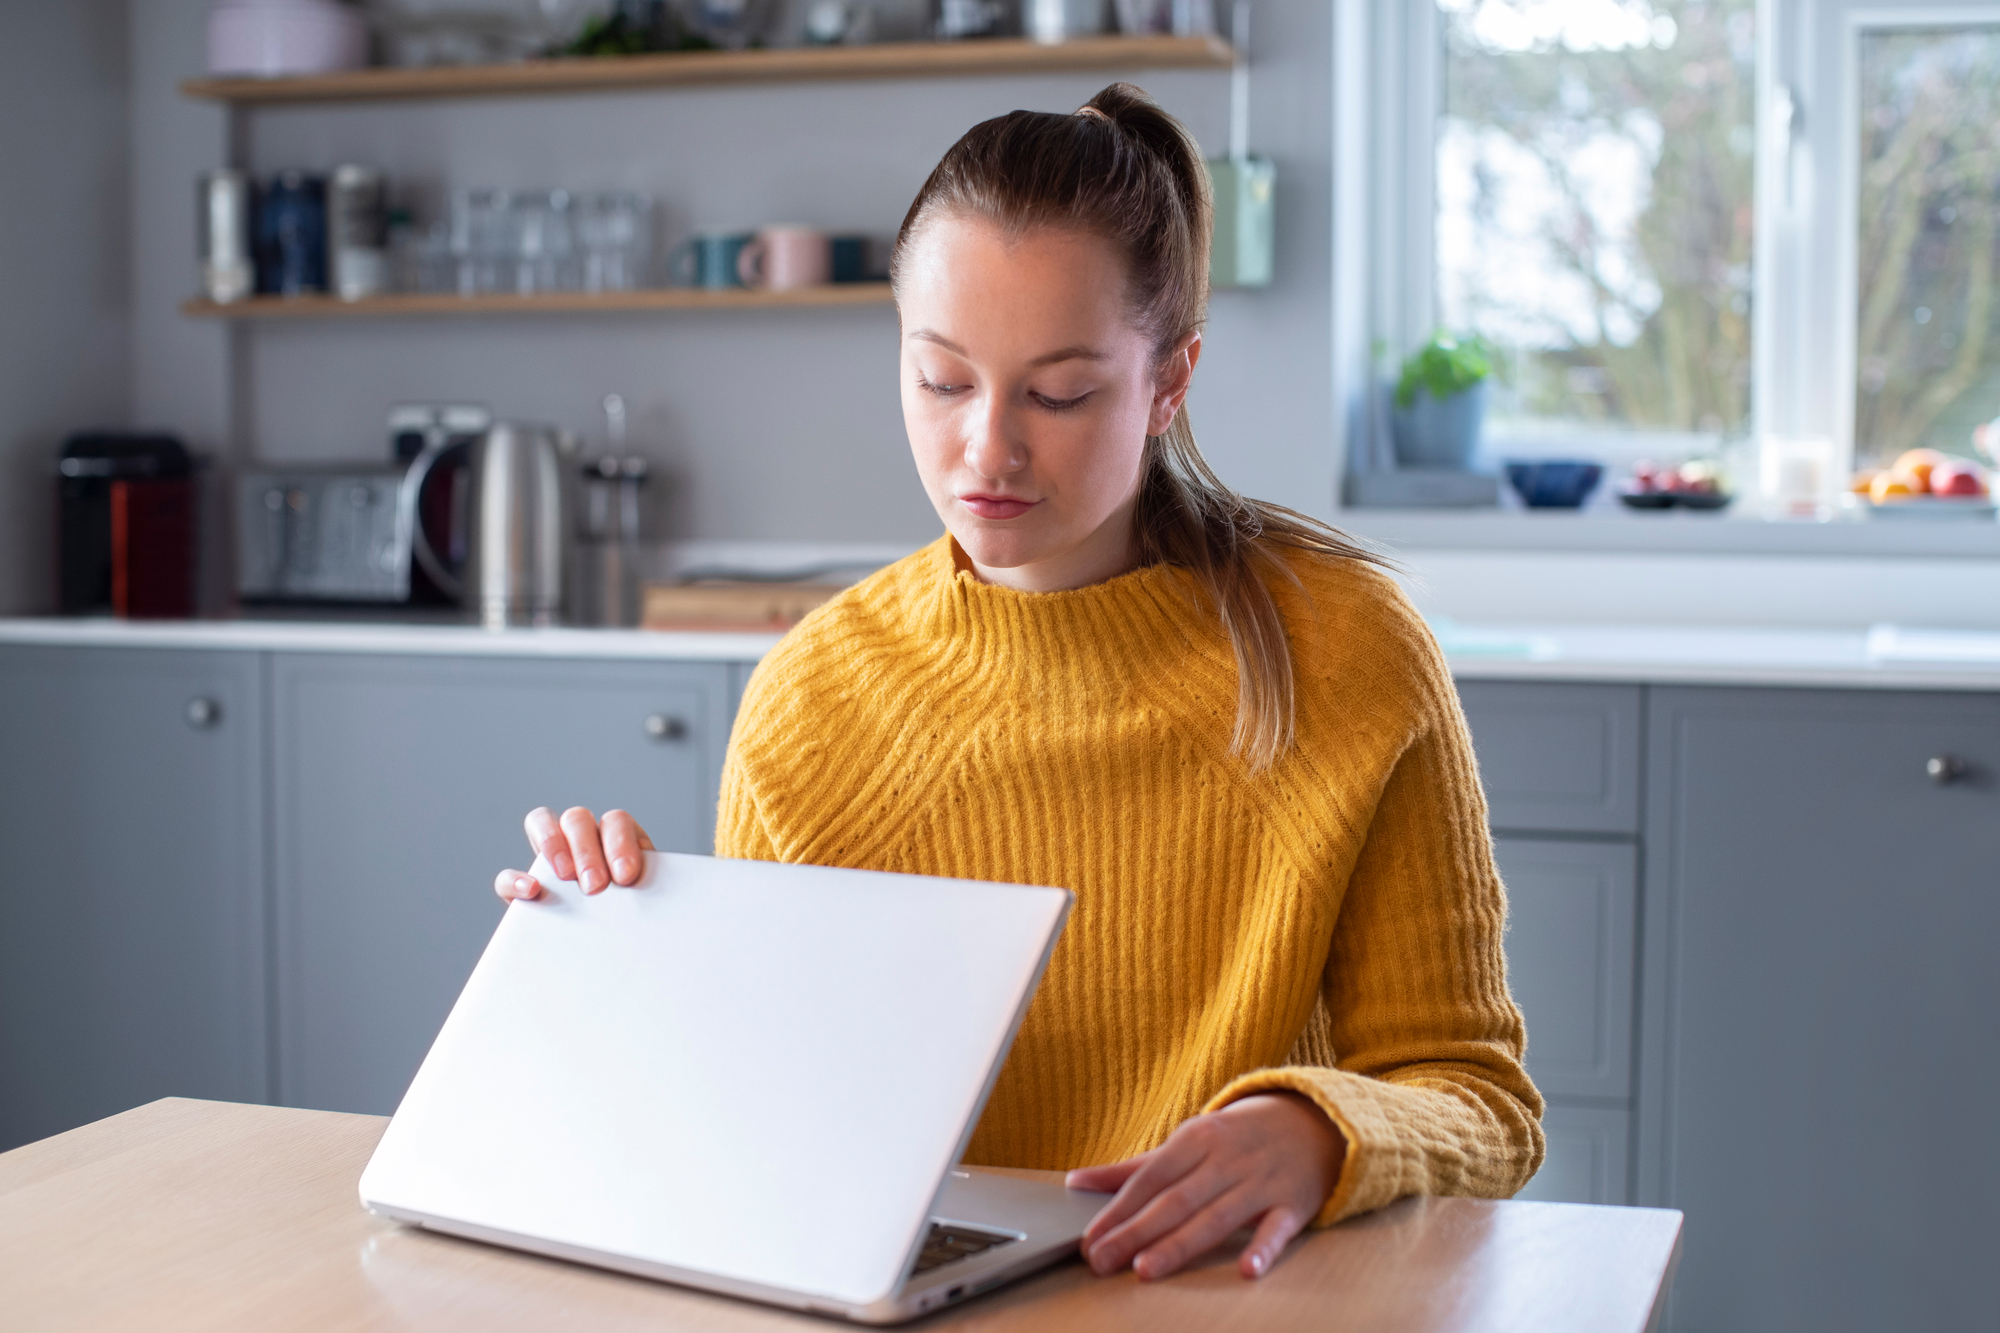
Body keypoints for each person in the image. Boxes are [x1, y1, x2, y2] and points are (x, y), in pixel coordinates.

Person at [495, 83, 1542, 1284]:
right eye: (941, 380)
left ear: (1169, 382)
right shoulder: (812, 696)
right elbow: (772, 1127)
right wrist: (611, 959)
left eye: (1058, 393)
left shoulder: (1346, 651)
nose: (986, 449)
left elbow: (1479, 1098)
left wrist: (1321, 1132)